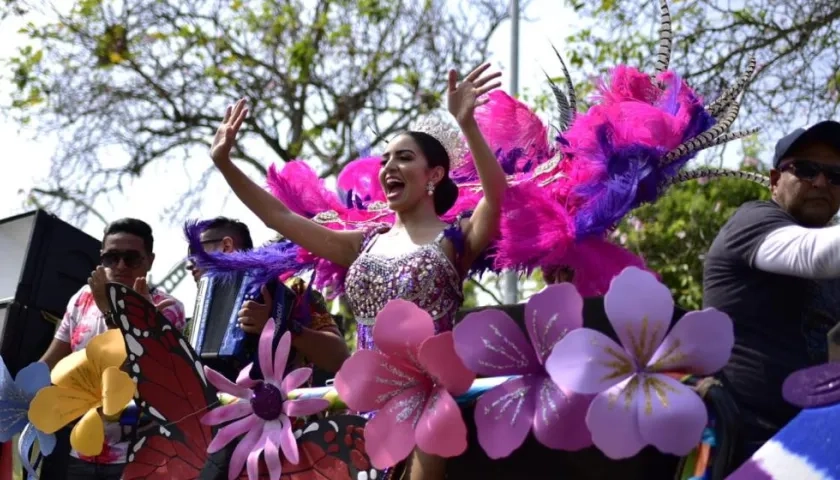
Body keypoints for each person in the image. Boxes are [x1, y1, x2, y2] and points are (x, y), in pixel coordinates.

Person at [209, 64, 506, 480]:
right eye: (385, 160)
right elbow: (280, 217)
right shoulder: (362, 243)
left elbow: (498, 194)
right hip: (363, 408)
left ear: (435, 175)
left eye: (405, 158)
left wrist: (466, 123)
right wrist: (225, 163)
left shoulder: (455, 239)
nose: (389, 167)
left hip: (429, 405)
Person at [703, 121, 840, 465]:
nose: (821, 182)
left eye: (836, 176)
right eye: (806, 169)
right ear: (775, 180)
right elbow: (815, 255)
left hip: (815, 441)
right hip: (744, 443)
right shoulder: (753, 221)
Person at [38, 218, 186, 479]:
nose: (120, 266)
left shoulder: (166, 308)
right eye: (111, 257)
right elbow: (50, 362)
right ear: (101, 258)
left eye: (131, 258)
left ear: (150, 261)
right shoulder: (82, 298)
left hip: (138, 453)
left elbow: (137, 374)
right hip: (80, 448)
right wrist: (16, 390)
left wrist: (110, 312)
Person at [187, 217, 348, 377]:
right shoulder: (197, 321)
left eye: (195, 252)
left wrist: (279, 325)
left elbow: (339, 357)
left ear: (226, 246)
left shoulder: (291, 289)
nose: (189, 264)